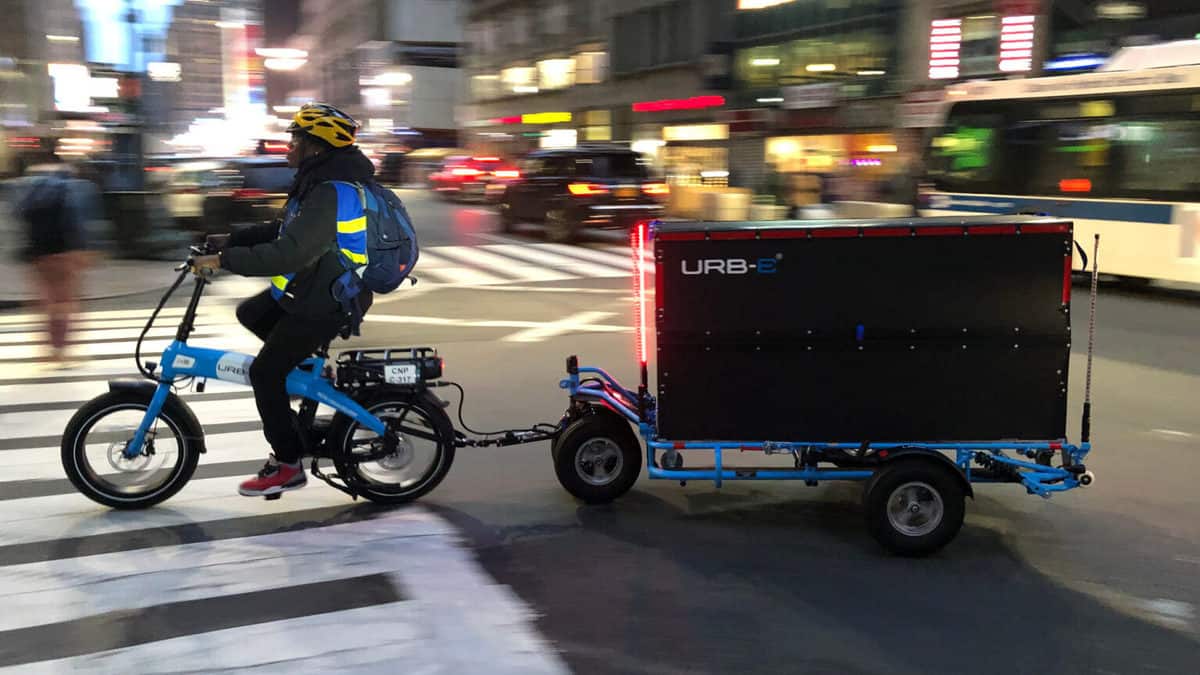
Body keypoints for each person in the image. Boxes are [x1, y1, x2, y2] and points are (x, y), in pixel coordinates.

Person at [191, 103, 377, 497]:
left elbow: (289, 253)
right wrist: (231, 239)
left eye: (296, 139)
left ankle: (288, 463)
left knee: (265, 374)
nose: (289, 146)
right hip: (314, 287)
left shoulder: (331, 192)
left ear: (316, 145)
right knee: (251, 311)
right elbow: (283, 228)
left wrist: (224, 260)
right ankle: (310, 373)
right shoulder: (317, 182)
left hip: (330, 299)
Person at [12, 155, 99, 365]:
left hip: (39, 254)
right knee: (67, 302)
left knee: (47, 303)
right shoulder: (68, 186)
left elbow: (18, 213)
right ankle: (63, 349)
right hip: (64, 253)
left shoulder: (31, 185)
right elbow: (75, 218)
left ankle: (47, 349)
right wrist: (82, 250)